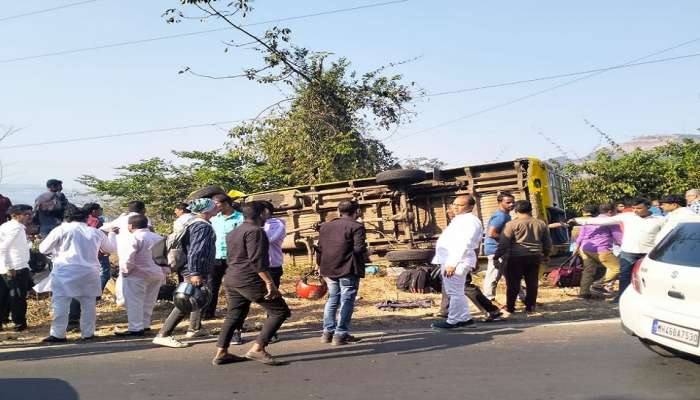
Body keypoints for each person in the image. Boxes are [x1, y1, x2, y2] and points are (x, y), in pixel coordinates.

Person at [212, 202, 291, 366]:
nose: (267, 216)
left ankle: (221, 352)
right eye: (265, 213)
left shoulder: (234, 232)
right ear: (261, 214)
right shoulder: (256, 232)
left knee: (234, 314)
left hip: (232, 278)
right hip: (249, 279)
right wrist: (269, 282)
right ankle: (258, 349)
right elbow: (257, 261)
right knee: (279, 311)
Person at [39, 205, 117, 342]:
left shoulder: (61, 229)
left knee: (61, 304)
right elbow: (110, 248)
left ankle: (58, 334)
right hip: (90, 272)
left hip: (65, 271)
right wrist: (111, 234)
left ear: (66, 218)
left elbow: (43, 249)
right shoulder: (95, 232)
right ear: (87, 218)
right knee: (88, 304)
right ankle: (88, 333)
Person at [570, 197, 665, 302]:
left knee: (647, 275)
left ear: (647, 207)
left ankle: (585, 292)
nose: (635, 211)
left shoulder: (659, 220)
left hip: (647, 252)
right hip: (621, 251)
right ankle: (608, 291)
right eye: (633, 208)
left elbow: (666, 233)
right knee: (621, 272)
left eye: (638, 208)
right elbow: (610, 228)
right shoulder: (626, 217)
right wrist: (576, 220)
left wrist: (577, 246)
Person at [153, 198, 217, 348]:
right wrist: (195, 272)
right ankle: (164, 334)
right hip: (193, 269)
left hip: (192, 267)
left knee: (198, 296)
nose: (216, 207)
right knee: (187, 299)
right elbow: (196, 250)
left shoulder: (194, 223)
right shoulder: (202, 226)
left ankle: (195, 328)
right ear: (206, 209)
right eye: (213, 206)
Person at [316, 200, 369, 344]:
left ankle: (327, 333)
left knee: (333, 298)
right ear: (356, 211)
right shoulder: (357, 227)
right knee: (346, 300)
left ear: (339, 211)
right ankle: (340, 334)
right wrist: (367, 250)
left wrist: (319, 265)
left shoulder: (325, 226)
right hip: (348, 269)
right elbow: (358, 249)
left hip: (329, 268)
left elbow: (319, 248)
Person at [430, 195, 483, 330]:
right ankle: (465, 319)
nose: (455, 207)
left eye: (459, 205)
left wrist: (452, 263)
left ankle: (453, 321)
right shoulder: (460, 220)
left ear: (470, 207)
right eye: (454, 204)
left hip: (457, 261)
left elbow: (463, 243)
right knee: (456, 291)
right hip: (454, 260)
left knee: (455, 292)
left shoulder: (469, 221)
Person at [494, 200, 551, 315]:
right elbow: (547, 242)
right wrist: (546, 254)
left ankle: (510, 308)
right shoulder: (541, 223)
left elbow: (504, 243)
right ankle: (530, 308)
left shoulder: (511, 224)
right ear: (530, 210)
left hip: (515, 257)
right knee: (532, 283)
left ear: (516, 210)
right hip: (534, 256)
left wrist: (497, 256)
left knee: (513, 284)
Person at [114, 214, 166, 337]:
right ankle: (145, 324)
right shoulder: (159, 237)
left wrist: (125, 271)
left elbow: (128, 258)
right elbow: (165, 256)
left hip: (137, 274)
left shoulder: (133, 238)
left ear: (130, 226)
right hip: (156, 273)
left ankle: (136, 327)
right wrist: (165, 271)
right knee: (149, 301)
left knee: (134, 301)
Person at [203, 194, 244, 321]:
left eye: (216, 204)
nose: (214, 207)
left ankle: (233, 313)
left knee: (233, 286)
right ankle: (208, 313)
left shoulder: (241, 218)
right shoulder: (214, 219)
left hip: (233, 258)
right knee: (211, 286)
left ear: (226, 203)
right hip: (215, 257)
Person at [571, 205, 622, 299]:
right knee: (617, 268)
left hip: (585, 249)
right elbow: (619, 238)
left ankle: (584, 292)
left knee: (588, 271)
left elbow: (581, 235)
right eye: (616, 211)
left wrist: (576, 248)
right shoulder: (611, 222)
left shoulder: (590, 220)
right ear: (610, 212)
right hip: (601, 249)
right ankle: (597, 285)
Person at [0, 204, 33, 332]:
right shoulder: (16, 228)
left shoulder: (5, 226)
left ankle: (3, 320)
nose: (28, 217)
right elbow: (3, 248)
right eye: (25, 214)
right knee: (18, 297)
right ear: (14, 215)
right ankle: (19, 323)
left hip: (7, 266)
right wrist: (9, 266)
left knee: (4, 297)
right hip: (16, 267)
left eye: (30, 214)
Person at [482, 192, 515, 302]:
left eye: (513, 202)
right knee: (493, 276)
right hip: (496, 250)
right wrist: (507, 240)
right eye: (508, 202)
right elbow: (492, 233)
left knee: (512, 275)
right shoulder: (500, 216)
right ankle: (488, 299)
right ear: (500, 202)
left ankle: (522, 298)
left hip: (502, 250)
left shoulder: (506, 215)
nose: (512, 204)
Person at [83, 203, 111, 291]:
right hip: (98, 252)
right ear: (94, 211)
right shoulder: (97, 222)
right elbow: (100, 237)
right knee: (105, 273)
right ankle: (96, 294)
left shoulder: (81, 220)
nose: (101, 211)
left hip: (84, 252)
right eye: (100, 209)